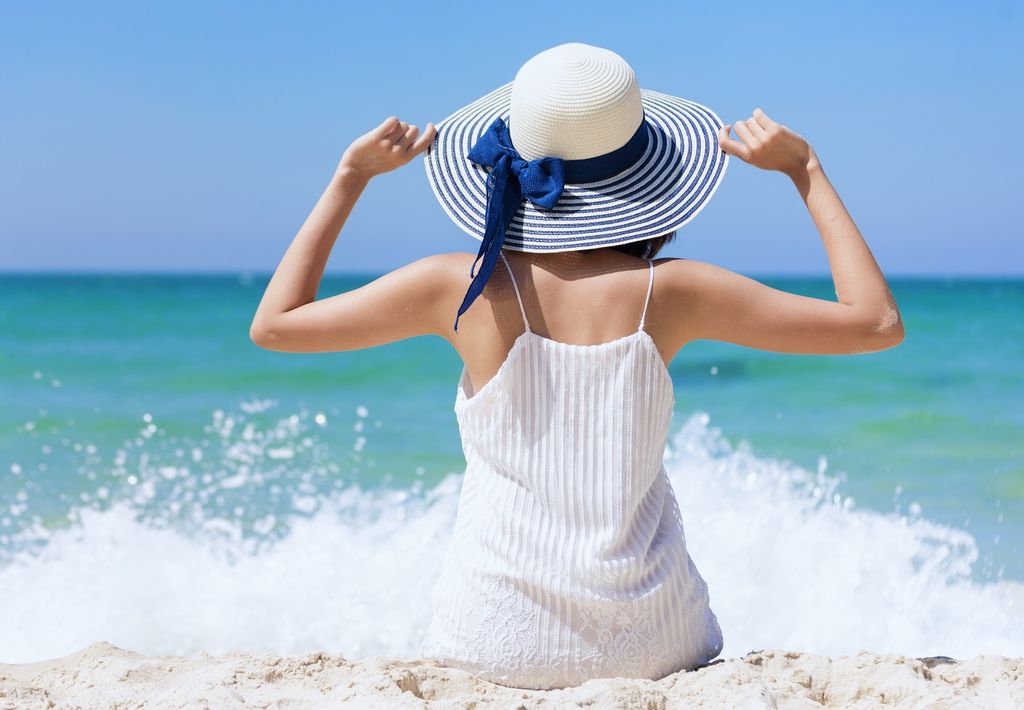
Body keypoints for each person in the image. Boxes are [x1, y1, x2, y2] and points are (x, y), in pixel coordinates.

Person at [250, 43, 904, 690]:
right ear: (645, 177)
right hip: (653, 643)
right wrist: (806, 170)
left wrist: (351, 177)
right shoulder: (673, 291)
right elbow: (876, 324)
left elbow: (275, 325)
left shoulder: (457, 287)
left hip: (495, 637)